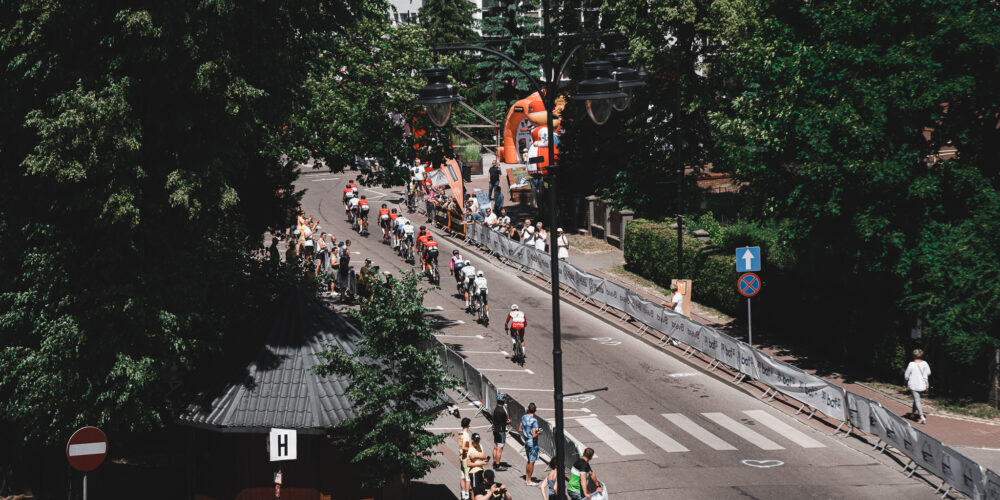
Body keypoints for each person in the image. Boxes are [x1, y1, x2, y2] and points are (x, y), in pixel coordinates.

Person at [905, 349, 931, 424]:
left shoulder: (911, 364)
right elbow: (929, 373)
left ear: (913, 356)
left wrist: (906, 381)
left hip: (914, 385)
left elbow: (906, 375)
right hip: (922, 385)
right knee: (916, 399)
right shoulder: (925, 363)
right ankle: (913, 414)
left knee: (917, 400)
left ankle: (922, 417)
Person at [520, 402, 541, 486]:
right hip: (533, 443)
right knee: (532, 462)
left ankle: (527, 478)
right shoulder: (534, 420)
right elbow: (534, 435)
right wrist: (539, 432)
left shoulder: (524, 417)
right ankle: (529, 480)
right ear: (535, 410)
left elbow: (520, 428)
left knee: (528, 461)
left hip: (526, 441)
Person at [491, 394, 509, 471]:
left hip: (495, 430)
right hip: (501, 431)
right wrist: (508, 422)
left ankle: (494, 462)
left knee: (495, 446)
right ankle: (498, 465)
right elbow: (505, 421)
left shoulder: (495, 409)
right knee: (499, 449)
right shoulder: (502, 411)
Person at [459, 417, 473, 500]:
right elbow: (464, 447)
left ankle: (463, 493)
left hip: (461, 456)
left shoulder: (460, 433)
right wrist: (471, 449)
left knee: (462, 476)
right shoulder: (466, 435)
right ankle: (467, 495)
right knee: (468, 477)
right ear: (468, 425)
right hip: (466, 457)